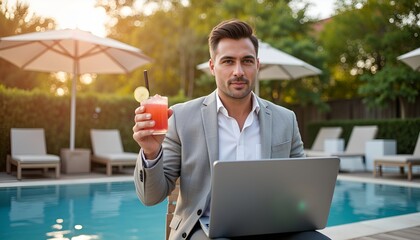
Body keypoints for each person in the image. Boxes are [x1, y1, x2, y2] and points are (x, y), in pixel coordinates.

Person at [133, 19, 330, 240]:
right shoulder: (181, 117)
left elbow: (301, 190)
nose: (238, 71)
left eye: (246, 61)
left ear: (257, 64)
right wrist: (151, 153)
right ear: (212, 66)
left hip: (272, 229)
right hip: (204, 231)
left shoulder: (286, 119)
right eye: (228, 61)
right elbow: (151, 197)